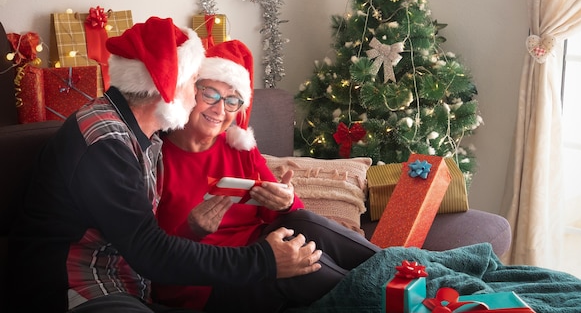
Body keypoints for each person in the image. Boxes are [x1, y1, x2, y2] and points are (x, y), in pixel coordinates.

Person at [8, 17, 322, 313]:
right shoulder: (106, 143)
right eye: (194, 84)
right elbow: (150, 250)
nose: (198, 97)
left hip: (131, 284)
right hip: (81, 288)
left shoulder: (145, 132)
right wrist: (262, 260)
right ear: (167, 89)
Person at [153, 39, 381, 313]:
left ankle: (406, 270)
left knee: (302, 220)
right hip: (207, 281)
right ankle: (393, 298)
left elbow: (288, 212)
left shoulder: (237, 146)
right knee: (295, 267)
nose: (220, 109)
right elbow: (151, 256)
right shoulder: (156, 158)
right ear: (189, 93)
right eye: (210, 94)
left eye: (232, 100)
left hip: (260, 248)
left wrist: (285, 201)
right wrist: (193, 230)